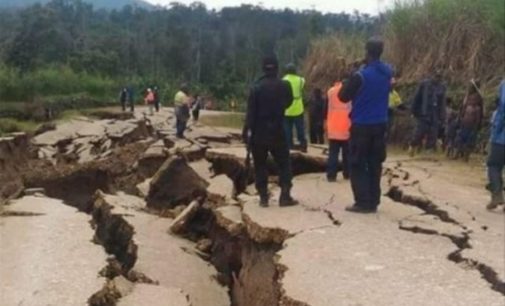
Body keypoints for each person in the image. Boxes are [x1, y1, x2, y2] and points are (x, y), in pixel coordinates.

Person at [338, 37, 393, 213]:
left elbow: (343, 96)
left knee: (358, 163)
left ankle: (362, 202)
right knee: (375, 163)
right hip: (381, 124)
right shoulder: (387, 72)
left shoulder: (360, 76)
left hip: (362, 126)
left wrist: (351, 75)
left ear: (366, 51)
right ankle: (374, 200)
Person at [243, 55, 297, 207]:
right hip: (278, 130)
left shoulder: (256, 87)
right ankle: (285, 195)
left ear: (263, 68)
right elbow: (289, 102)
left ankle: (263, 198)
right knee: (284, 163)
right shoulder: (284, 85)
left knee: (260, 165)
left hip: (259, 132)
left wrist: (246, 133)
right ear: (277, 67)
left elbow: (250, 114)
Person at [409, 71, 447, 155]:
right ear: (432, 76)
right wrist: (413, 111)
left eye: (439, 77)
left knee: (433, 132)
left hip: (435, 113)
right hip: (424, 112)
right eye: (436, 76)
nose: (437, 79)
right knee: (419, 131)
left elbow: (442, 103)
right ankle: (413, 146)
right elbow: (417, 98)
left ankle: (428, 149)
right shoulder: (424, 84)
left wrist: (443, 116)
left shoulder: (442, 87)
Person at [326, 79, 351, 182]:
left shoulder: (331, 92)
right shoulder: (351, 92)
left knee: (333, 154)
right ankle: (347, 174)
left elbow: (325, 108)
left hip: (333, 127)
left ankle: (331, 176)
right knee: (347, 153)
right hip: (347, 127)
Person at [454, 80, 484, 161]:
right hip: (466, 121)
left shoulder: (477, 104)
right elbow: (462, 109)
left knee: (467, 139)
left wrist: (477, 125)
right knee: (462, 138)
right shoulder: (468, 99)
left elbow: (479, 115)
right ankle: (459, 154)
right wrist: (460, 118)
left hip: (471, 123)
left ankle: (464, 156)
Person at [486, 80, 505, 211]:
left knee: (493, 165)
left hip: (502, 138)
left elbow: (503, 109)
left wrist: (496, 131)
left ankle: (497, 195)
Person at [283, 63, 308, 152]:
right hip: (298, 107)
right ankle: (303, 145)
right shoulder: (301, 80)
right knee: (300, 128)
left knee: (287, 129)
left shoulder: (283, 80)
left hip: (287, 108)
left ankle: (289, 145)